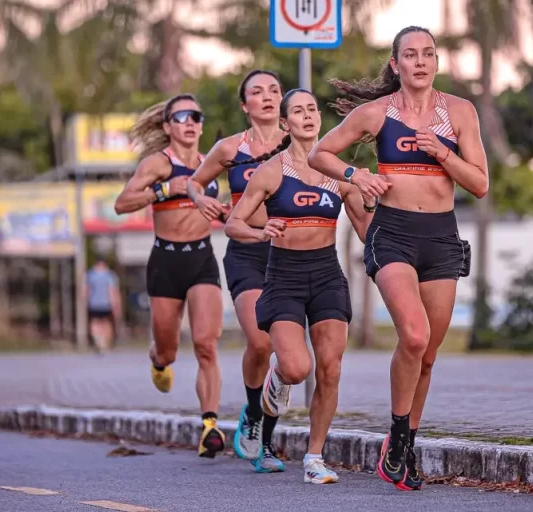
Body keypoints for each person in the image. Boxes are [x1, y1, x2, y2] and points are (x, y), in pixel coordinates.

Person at [307, 26, 488, 491]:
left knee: (426, 355)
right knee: (413, 334)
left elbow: (480, 183)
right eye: (411, 55)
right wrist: (356, 174)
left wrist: (442, 152)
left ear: (436, 63)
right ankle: (400, 441)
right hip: (393, 234)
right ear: (396, 64)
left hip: (441, 237)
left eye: (429, 54)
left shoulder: (460, 113)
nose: (421, 62)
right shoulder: (377, 114)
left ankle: (400, 443)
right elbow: (319, 154)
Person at [222, 88, 378, 483]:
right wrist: (261, 234)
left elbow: (366, 232)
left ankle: (313, 458)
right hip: (284, 276)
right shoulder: (271, 171)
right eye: (298, 111)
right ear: (286, 122)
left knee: (329, 369)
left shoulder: (339, 173)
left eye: (312, 109)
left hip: (326, 274)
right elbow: (234, 223)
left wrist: (371, 199)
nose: (308, 116)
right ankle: (275, 378)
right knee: (296, 368)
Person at [114, 93, 228, 460]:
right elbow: (122, 203)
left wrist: (228, 214)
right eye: (181, 117)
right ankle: (159, 359)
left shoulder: (212, 163)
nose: (190, 122)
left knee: (206, 344)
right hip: (166, 261)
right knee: (169, 349)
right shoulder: (157, 164)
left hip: (202, 259)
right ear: (167, 127)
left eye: (196, 115)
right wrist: (164, 189)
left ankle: (209, 426)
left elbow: (220, 210)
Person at [187, 70, 286, 465]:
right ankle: (253, 410)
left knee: (284, 353)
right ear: (245, 105)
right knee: (260, 342)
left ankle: (265, 439)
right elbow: (195, 182)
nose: (267, 97)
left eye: (274, 90)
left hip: (289, 253)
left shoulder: (301, 144)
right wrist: (200, 200)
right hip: (246, 250)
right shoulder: (230, 149)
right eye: (257, 92)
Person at [85, 258, 121, 354]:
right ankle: (104, 343)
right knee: (106, 323)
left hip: (93, 303)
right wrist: (116, 304)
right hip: (106, 303)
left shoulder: (90, 274)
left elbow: (85, 290)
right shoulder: (110, 275)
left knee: (95, 322)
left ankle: (98, 340)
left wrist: (85, 301)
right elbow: (112, 291)